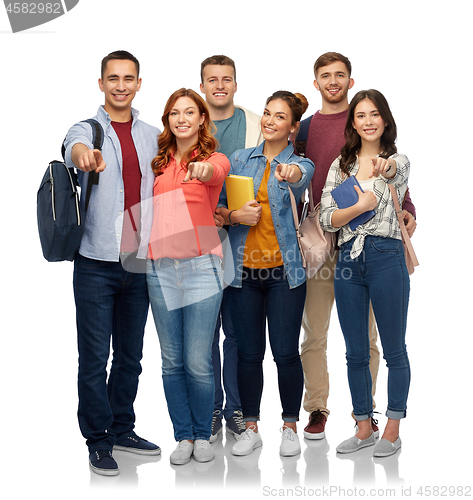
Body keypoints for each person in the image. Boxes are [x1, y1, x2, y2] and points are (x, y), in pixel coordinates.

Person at [295, 52, 417, 440]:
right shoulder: (307, 129)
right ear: (316, 83)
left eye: (340, 75)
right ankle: (318, 408)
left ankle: (367, 416)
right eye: (325, 76)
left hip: (372, 250)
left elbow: (396, 173)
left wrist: (407, 208)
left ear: (350, 80)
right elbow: (311, 190)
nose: (333, 81)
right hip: (321, 242)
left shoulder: (380, 144)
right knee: (315, 333)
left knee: (369, 340)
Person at [63, 50, 161, 476]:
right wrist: (83, 154)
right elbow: (73, 147)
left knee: (130, 357)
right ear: (101, 84)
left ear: (139, 84)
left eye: (129, 78)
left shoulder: (152, 134)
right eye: (113, 78)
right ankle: (99, 439)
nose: (121, 85)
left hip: (138, 261)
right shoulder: (88, 128)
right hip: (96, 263)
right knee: (94, 357)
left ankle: (122, 428)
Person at [218, 91, 315, 457]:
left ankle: (290, 426)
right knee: (248, 353)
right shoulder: (240, 159)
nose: (270, 121)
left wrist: (289, 172)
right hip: (244, 273)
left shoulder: (301, 165)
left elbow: (300, 178)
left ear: (292, 126)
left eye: (280, 117)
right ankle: (251, 426)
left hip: (285, 274)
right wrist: (233, 216)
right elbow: (220, 210)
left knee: (286, 352)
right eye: (267, 114)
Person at [320, 89, 411, 457]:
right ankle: (362, 426)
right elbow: (327, 217)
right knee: (355, 351)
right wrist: (359, 205)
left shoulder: (398, 160)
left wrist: (382, 169)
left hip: (386, 255)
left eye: (375, 114)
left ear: (385, 120)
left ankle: (392, 428)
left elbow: (394, 172)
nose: (368, 121)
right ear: (352, 123)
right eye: (361, 115)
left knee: (394, 350)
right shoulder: (340, 166)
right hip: (347, 262)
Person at [146, 88, 230, 465]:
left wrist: (202, 169)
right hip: (159, 268)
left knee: (198, 360)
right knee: (171, 360)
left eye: (189, 112)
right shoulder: (159, 162)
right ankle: (183, 435)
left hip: (202, 268)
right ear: (168, 121)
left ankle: (202, 434)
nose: (181, 118)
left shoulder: (215, 159)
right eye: (174, 113)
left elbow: (217, 172)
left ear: (201, 119)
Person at [199, 54, 263, 441]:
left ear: (236, 84)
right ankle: (209, 410)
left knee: (238, 333)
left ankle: (235, 409)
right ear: (202, 84)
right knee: (205, 333)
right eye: (212, 79)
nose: (219, 85)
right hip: (200, 245)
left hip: (243, 245)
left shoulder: (255, 124)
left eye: (227, 79)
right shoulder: (187, 123)